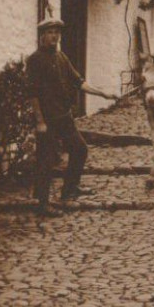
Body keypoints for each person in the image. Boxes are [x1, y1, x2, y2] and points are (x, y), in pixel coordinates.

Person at [27, 17, 119, 218]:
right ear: (43, 35)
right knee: (46, 159)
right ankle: (42, 204)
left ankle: (69, 189)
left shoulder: (61, 58)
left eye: (57, 33)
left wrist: (102, 93)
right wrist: (40, 121)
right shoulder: (35, 60)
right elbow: (32, 94)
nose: (54, 36)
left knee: (80, 149)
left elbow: (79, 82)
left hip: (64, 117)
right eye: (51, 32)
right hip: (48, 120)